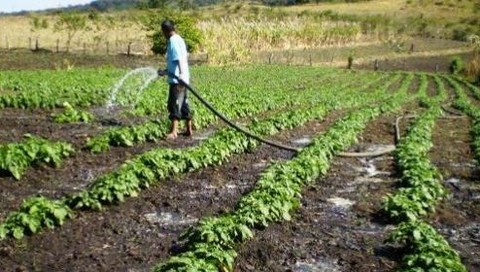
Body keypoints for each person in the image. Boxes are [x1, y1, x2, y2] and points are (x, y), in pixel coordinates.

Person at [158, 19, 193, 139]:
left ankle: (174, 132)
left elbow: (178, 59)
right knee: (183, 104)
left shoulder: (172, 41)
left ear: (165, 31)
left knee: (174, 104)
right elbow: (179, 59)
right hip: (181, 77)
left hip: (178, 80)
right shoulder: (179, 39)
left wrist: (181, 74)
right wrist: (166, 71)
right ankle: (189, 129)